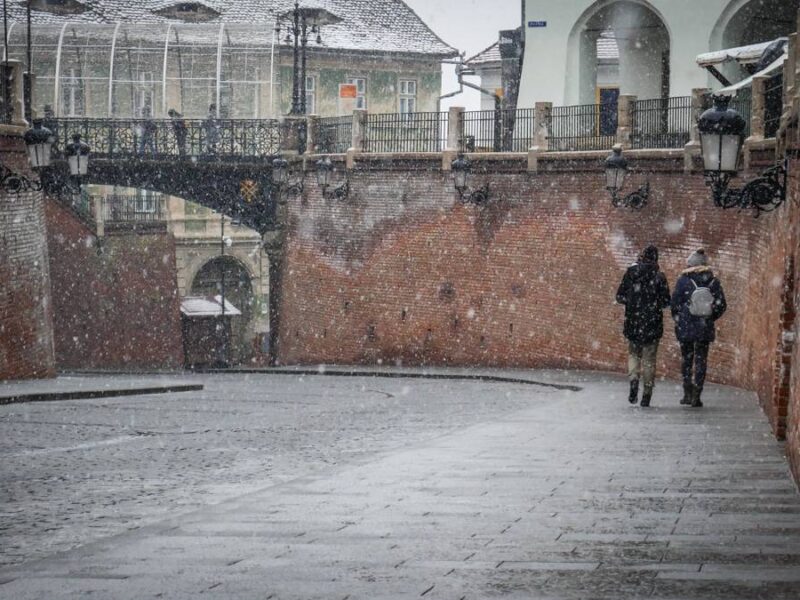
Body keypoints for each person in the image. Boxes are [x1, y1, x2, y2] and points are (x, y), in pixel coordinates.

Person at [615, 245, 671, 407]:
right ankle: (647, 394)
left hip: (633, 321)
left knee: (633, 354)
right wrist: (653, 304)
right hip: (652, 323)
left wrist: (633, 302)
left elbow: (619, 296)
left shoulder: (631, 273)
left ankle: (633, 380)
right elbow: (666, 301)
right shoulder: (659, 277)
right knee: (649, 360)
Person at [671, 249, 727, 408]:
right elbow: (722, 305)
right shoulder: (713, 281)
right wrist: (709, 317)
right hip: (704, 327)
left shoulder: (683, 280)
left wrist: (680, 318)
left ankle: (687, 393)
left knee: (687, 359)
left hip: (686, 326)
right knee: (701, 360)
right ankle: (697, 394)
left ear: (691, 264)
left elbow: (674, 303)